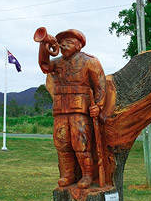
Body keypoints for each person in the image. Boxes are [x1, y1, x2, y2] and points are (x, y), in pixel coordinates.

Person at [38, 29, 106, 189]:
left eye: (69, 41)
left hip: (79, 109)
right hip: (60, 108)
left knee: (80, 142)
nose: (64, 44)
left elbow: (100, 85)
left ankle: (87, 175)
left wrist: (99, 105)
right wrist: (43, 46)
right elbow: (45, 65)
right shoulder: (58, 62)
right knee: (62, 143)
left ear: (79, 44)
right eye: (62, 41)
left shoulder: (90, 61)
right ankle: (68, 175)